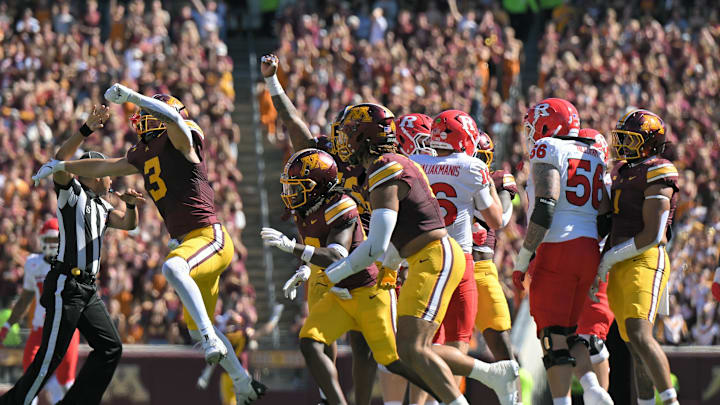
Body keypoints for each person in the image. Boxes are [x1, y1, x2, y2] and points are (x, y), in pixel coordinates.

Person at [31, 85, 266, 404]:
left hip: (210, 237)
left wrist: (131, 95)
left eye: (145, 115)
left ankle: (212, 340)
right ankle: (242, 381)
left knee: (173, 269)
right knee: (196, 329)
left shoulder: (180, 138)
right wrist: (63, 167)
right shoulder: (145, 153)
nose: (140, 119)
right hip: (191, 246)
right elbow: (106, 166)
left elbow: (175, 119)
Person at [324, 103, 518, 405]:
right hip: (434, 258)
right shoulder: (403, 163)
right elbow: (389, 245)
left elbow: (377, 244)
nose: (345, 141)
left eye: (350, 133)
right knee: (414, 347)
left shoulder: (388, 166)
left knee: (411, 347)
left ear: (365, 136)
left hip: (435, 258)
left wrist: (334, 273)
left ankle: (489, 376)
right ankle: (490, 375)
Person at [262, 148, 440, 405]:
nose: (291, 194)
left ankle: (448, 398)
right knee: (310, 342)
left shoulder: (340, 205)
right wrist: (304, 269)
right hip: (340, 293)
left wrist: (292, 248)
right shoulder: (307, 209)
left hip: (369, 291)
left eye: (298, 187)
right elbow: (317, 249)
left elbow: (336, 256)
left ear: (318, 186)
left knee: (393, 361)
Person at [261, 53, 382, 405]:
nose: (343, 140)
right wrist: (273, 82)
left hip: (364, 253)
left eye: (350, 134)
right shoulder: (322, 161)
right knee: (318, 335)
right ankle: (330, 399)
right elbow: (292, 122)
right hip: (325, 254)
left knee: (364, 342)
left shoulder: (379, 167)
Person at [4, 105, 140, 405]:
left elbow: (128, 224)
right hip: (67, 283)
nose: (111, 178)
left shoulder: (104, 207)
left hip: (87, 289)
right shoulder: (73, 193)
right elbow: (59, 160)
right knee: (51, 357)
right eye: (106, 173)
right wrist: (86, 129)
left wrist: (130, 205)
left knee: (111, 347)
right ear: (93, 174)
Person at [403, 110, 515, 405]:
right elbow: (496, 220)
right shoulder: (472, 167)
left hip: (424, 259)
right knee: (456, 345)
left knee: (417, 346)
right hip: (461, 260)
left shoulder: (415, 163)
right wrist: (497, 189)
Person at [512, 98, 613, 405]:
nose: (531, 133)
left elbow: (545, 207)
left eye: (534, 126)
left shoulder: (548, 148)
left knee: (552, 336)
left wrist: (523, 258)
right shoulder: (593, 152)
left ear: (548, 124)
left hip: (557, 247)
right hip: (588, 248)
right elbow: (606, 216)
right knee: (572, 334)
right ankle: (593, 388)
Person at [592, 109, 680, 405]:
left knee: (640, 335)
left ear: (649, 143)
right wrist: (604, 262)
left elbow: (653, 234)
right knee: (633, 344)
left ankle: (670, 401)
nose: (622, 145)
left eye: (630, 140)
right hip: (619, 261)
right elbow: (613, 223)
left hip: (644, 258)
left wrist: (609, 258)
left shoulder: (659, 170)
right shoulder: (621, 171)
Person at [0, 219, 80, 405]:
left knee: (66, 382)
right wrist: (8, 324)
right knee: (29, 381)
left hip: (64, 329)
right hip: (40, 331)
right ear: (41, 240)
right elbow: (26, 298)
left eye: (55, 240)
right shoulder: (32, 264)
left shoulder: (71, 263)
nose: (52, 245)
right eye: (49, 240)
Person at [471, 131, 523, 401]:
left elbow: (499, 218)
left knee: (504, 351)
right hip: (448, 263)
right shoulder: (449, 171)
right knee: (440, 346)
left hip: (481, 268)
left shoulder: (497, 178)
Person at [574, 128, 615, 390]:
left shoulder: (608, 184)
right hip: (587, 257)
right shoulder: (608, 180)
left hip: (594, 259)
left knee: (589, 337)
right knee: (574, 337)